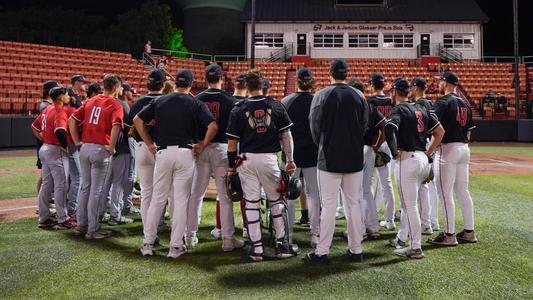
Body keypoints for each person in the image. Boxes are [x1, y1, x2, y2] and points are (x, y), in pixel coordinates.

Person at [135, 69, 218, 259]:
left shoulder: (160, 100)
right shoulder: (195, 102)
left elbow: (137, 120)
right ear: (190, 84)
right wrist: (203, 144)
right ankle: (175, 247)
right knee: (180, 201)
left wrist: (148, 143)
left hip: (163, 152)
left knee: (157, 199)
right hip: (185, 153)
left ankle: (147, 243)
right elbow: (213, 126)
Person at [226, 69, 298, 262]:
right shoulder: (276, 105)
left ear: (247, 87)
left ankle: (256, 248)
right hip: (268, 159)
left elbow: (232, 144)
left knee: (251, 202)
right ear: (263, 85)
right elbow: (286, 136)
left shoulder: (238, 109)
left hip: (246, 160)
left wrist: (232, 167)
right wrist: (290, 159)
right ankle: (281, 246)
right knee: (276, 202)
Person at [305, 59, 369, 263]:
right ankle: (356, 249)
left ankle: (322, 252)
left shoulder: (322, 94)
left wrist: (323, 144)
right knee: (354, 204)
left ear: (330, 73)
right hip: (354, 157)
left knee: (329, 206)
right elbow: (364, 125)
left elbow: (314, 125)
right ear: (347, 74)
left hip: (329, 157)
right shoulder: (359, 95)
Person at [186, 64, 244, 252]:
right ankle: (228, 240)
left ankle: (190, 235)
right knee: (224, 195)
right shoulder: (230, 100)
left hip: (201, 148)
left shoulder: (197, 99)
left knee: (196, 194)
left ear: (205, 78)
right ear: (221, 78)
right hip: (222, 148)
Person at [385, 78, 444, 259]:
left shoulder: (399, 108)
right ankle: (403, 237)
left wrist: (394, 152)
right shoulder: (422, 107)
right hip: (423, 159)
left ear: (395, 92)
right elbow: (440, 131)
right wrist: (428, 153)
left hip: (408, 159)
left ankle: (415, 247)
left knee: (409, 206)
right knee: (411, 205)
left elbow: (389, 128)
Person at [68, 74, 125, 240]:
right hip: (100, 149)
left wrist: (77, 141)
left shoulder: (90, 100)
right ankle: (92, 229)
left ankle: (81, 225)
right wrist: (112, 146)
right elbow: (116, 126)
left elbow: (72, 120)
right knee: (96, 192)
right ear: (115, 87)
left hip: (85, 147)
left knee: (85, 188)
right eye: (120, 87)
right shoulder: (115, 104)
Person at [428, 71, 478, 246]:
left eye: (440, 81)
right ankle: (469, 231)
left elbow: (433, 128)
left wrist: (429, 151)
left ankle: (449, 235)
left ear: (446, 83)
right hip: (464, 148)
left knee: (445, 193)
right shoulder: (465, 103)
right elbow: (469, 131)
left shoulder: (443, 102)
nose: (438, 84)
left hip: (448, 149)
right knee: (463, 191)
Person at [281, 67, 320, 248]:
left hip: (291, 156)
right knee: (314, 196)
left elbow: (281, 132)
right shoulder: (318, 100)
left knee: (289, 196)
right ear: (312, 82)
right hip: (313, 154)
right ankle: (315, 235)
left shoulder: (286, 100)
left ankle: (287, 236)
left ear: (297, 81)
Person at [126, 69, 167, 233]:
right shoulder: (167, 101)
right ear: (163, 84)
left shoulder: (138, 102)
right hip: (161, 149)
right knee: (162, 191)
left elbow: (129, 127)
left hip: (142, 148)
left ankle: (148, 229)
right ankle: (159, 223)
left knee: (146, 192)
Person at [31, 86, 77, 229]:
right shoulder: (58, 110)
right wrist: (64, 146)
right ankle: (63, 218)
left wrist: (44, 138)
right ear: (60, 97)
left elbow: (34, 126)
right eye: (66, 95)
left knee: (47, 185)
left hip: (45, 148)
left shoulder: (46, 109)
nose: (68, 97)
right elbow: (60, 131)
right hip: (55, 149)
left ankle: (43, 218)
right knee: (61, 185)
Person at [98, 84, 136, 226]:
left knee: (105, 182)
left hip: (102, 146)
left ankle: (100, 213)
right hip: (120, 147)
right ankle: (115, 215)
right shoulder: (121, 104)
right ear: (116, 88)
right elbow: (128, 129)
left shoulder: (96, 101)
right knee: (118, 183)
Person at [366, 73, 396, 233]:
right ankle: (390, 219)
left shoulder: (369, 101)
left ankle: (371, 216)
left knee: (369, 182)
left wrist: (375, 146)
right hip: (389, 143)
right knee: (386, 183)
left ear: (372, 84)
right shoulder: (392, 101)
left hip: (374, 143)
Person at [410, 77, 440, 232]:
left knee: (423, 187)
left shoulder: (419, 104)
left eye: (411, 87)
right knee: (428, 186)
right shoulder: (430, 103)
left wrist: (428, 151)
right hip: (430, 143)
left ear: (416, 88)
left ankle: (427, 223)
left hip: (423, 144)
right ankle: (431, 222)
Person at [360, 76, 387, 240]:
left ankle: (360, 228)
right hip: (370, 149)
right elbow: (385, 126)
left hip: (355, 150)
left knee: (355, 192)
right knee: (367, 189)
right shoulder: (370, 106)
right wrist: (377, 145)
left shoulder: (351, 106)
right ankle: (373, 227)